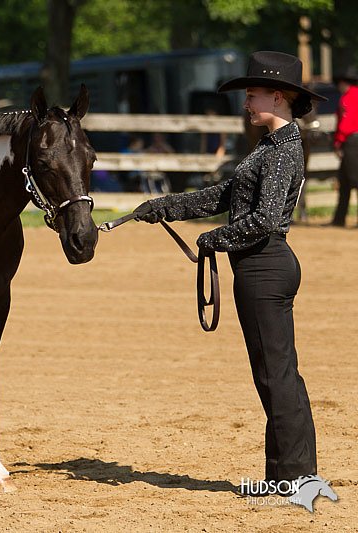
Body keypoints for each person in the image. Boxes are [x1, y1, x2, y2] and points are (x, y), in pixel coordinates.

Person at [132, 51, 328, 495]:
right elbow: (224, 195)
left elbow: (262, 219)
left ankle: (293, 479)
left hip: (264, 265)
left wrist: (212, 240)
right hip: (263, 266)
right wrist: (163, 207)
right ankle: (292, 476)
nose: (245, 103)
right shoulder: (271, 147)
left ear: (277, 97)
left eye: (252, 95)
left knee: (275, 376)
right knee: (278, 373)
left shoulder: (281, 151)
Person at [331, 65, 358, 227]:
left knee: (354, 179)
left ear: (343, 82)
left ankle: (339, 219)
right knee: (345, 181)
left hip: (352, 142)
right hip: (353, 141)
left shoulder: (348, 97)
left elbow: (346, 124)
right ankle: (339, 218)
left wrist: (338, 142)